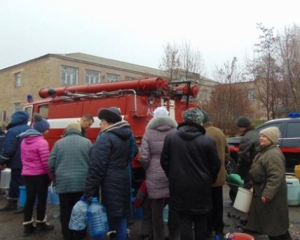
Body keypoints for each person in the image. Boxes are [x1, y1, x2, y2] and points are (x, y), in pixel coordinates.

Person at [160, 108, 220, 240]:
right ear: (200, 122)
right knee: (201, 219)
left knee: (184, 220)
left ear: (184, 120)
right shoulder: (207, 141)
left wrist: (173, 176)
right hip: (201, 186)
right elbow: (215, 165)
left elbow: (164, 161)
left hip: (179, 186)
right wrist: (209, 179)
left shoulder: (171, 138)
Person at [83, 107, 135, 240]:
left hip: (109, 183)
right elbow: (132, 154)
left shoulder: (105, 138)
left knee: (103, 216)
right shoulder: (125, 136)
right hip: (123, 178)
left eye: (101, 122)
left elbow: (97, 167)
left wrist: (88, 192)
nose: (99, 125)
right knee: (120, 216)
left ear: (107, 122)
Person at [140, 106, 179, 240]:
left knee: (156, 209)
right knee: (174, 207)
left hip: (154, 173)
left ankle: (159, 237)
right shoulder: (175, 131)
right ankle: (174, 236)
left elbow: (144, 157)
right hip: (173, 172)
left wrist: (147, 168)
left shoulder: (149, 133)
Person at [245, 127, 291, 240]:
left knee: (273, 226)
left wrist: (267, 194)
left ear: (272, 138)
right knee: (276, 225)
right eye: (261, 135)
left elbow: (275, 176)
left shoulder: (273, 154)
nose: (261, 138)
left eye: (265, 136)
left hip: (271, 196)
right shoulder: (265, 150)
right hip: (264, 190)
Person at [48, 122, 92, 240]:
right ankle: (80, 234)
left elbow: (51, 163)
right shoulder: (87, 143)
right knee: (81, 210)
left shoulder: (58, 144)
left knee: (65, 211)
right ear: (79, 131)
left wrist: (56, 177)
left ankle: (67, 235)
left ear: (67, 130)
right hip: (82, 183)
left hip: (64, 183)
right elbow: (93, 162)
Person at [20, 114, 54, 236]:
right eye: (47, 129)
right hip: (40, 176)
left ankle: (28, 225)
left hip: (27, 174)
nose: (48, 131)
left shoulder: (24, 141)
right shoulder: (42, 142)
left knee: (29, 199)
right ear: (41, 130)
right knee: (41, 200)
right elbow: (46, 163)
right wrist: (51, 176)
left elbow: (23, 158)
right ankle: (41, 223)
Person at [201, 110, 230, 237]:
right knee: (218, 203)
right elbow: (227, 152)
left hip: (205, 176)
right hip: (219, 176)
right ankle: (219, 228)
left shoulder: (201, 134)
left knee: (207, 204)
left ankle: (208, 228)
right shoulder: (219, 132)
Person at [0, 110, 30, 212]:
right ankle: (25, 204)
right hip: (29, 162)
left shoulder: (13, 131)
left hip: (17, 162)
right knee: (26, 183)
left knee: (15, 182)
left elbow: (8, 149)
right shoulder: (30, 129)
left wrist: (2, 161)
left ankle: (13, 204)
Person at [236, 117, 260, 188]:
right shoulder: (258, 133)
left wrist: (239, 171)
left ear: (243, 127)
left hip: (249, 170)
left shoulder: (246, 138)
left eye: (239, 127)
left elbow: (243, 158)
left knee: (248, 190)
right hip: (259, 168)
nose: (239, 129)